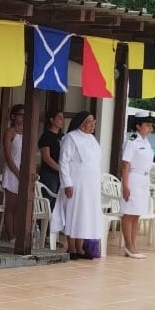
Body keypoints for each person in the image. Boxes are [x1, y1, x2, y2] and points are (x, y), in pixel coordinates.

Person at [52, 111, 103, 260]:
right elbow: (64, 162)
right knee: (74, 214)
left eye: (94, 122)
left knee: (85, 215)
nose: (93, 125)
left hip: (90, 185)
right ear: (81, 123)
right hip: (76, 183)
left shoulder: (92, 139)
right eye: (89, 122)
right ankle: (72, 247)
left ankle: (80, 247)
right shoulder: (71, 137)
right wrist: (67, 183)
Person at [119, 111, 154, 259]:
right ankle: (128, 245)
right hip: (132, 178)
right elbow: (125, 164)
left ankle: (134, 244)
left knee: (137, 213)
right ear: (138, 126)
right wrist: (125, 186)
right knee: (129, 214)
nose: (150, 128)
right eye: (147, 125)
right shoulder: (132, 141)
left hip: (143, 179)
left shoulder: (146, 142)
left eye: (150, 125)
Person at [0, 104, 25, 241]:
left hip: (24, 172)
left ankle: (19, 234)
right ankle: (11, 236)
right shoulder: (10, 132)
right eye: (21, 115)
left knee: (21, 207)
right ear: (14, 116)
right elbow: (8, 156)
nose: (23, 118)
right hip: (12, 172)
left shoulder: (28, 132)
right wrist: (18, 173)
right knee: (11, 205)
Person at [37, 109, 64, 210]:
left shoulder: (63, 136)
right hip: (49, 173)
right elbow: (46, 158)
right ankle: (43, 225)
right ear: (52, 120)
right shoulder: (46, 136)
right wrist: (60, 168)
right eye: (59, 118)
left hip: (60, 173)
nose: (62, 120)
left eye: (63, 118)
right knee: (48, 200)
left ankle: (54, 225)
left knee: (58, 202)